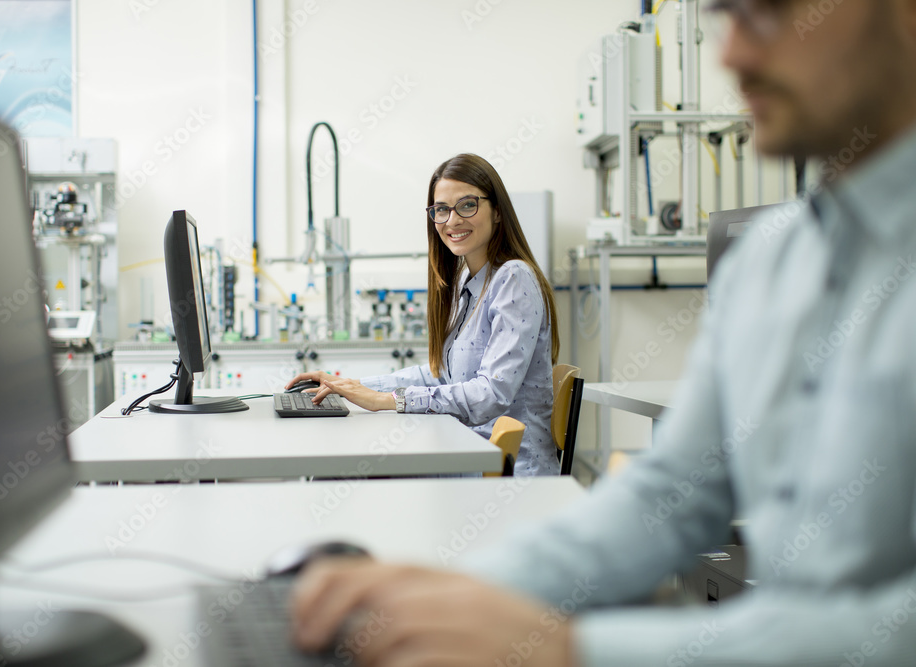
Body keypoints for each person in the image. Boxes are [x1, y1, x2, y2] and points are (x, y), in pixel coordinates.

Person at [289, 0, 916, 664]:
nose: (729, 55)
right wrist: (456, 596)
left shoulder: (515, 279)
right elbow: (670, 494)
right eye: (725, 15)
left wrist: (573, 648)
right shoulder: (766, 260)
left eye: (768, 10)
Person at [286, 153, 561, 476]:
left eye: (467, 205)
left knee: (341, 472)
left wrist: (388, 400)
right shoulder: (467, 282)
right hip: (470, 454)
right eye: (441, 209)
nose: (452, 220)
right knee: (341, 468)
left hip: (508, 474)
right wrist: (351, 385)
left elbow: (491, 394)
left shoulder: (513, 278)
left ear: (497, 211)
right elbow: (442, 374)